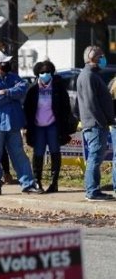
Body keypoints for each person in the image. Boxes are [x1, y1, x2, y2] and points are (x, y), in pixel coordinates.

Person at [0, 51, 42, 195]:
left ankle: (28, 183)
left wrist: (7, 92)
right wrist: (13, 96)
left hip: (13, 123)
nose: (7, 65)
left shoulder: (14, 77)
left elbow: (23, 88)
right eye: (4, 64)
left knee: (19, 154)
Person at [24, 60, 72, 193]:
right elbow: (27, 109)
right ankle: (37, 181)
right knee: (38, 153)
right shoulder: (33, 89)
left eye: (48, 72)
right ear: (37, 74)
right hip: (37, 126)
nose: (45, 74)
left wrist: (64, 124)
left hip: (53, 125)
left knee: (55, 151)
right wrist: (27, 127)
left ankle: (54, 182)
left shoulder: (58, 87)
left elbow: (65, 107)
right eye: (42, 72)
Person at [74, 46, 114, 201]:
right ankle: (92, 191)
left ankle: (94, 190)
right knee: (94, 158)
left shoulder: (89, 75)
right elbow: (91, 103)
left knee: (95, 158)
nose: (103, 58)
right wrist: (103, 121)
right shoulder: (88, 76)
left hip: (94, 123)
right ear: (92, 57)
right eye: (100, 56)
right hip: (95, 124)